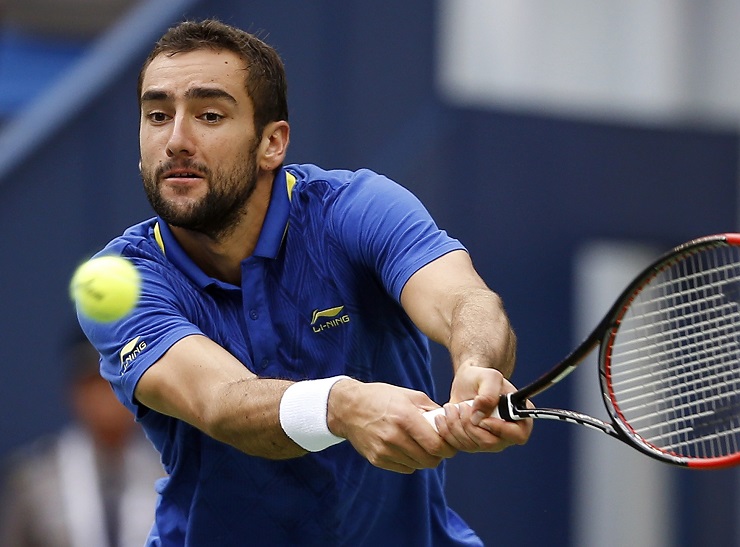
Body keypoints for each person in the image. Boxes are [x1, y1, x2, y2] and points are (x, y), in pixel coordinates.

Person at [76, 19, 532, 546]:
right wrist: (343, 406)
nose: (176, 139)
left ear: (272, 143)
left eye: (209, 115)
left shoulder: (355, 209)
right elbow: (221, 401)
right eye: (157, 115)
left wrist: (476, 367)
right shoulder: (119, 282)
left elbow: (463, 299)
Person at [0, 331, 163, 547]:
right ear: (75, 391)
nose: (108, 397)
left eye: (117, 383)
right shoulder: (31, 481)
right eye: (94, 382)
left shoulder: (168, 477)